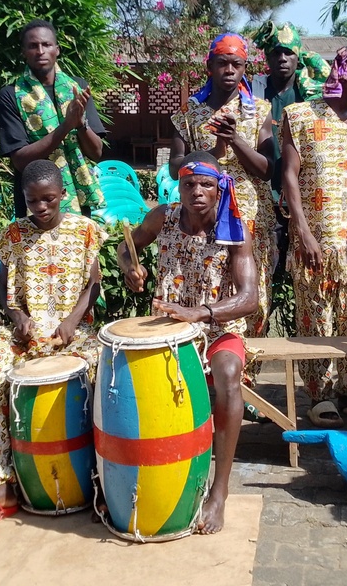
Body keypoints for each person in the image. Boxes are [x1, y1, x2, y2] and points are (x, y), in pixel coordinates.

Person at [0, 159, 103, 531]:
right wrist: (18, 317)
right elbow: (6, 296)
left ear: (63, 196)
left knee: (100, 376)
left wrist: (71, 321)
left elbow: (93, 285)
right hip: (25, 337)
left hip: (73, 336)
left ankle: (99, 479)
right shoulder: (13, 235)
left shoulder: (85, 230)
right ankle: (1, 485)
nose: (40, 208)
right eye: (32, 200)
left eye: (48, 199)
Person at [119, 152, 258, 535]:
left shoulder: (233, 228)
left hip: (218, 328)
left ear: (220, 188)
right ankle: (140, 478)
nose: (196, 191)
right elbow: (126, 247)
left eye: (206, 184)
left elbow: (249, 299)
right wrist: (130, 268)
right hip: (167, 327)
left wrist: (202, 312)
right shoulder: (162, 217)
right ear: (178, 186)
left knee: (228, 373)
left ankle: (220, 491)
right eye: (188, 184)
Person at [280, 46, 347, 426]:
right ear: (342, 68)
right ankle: (319, 394)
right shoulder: (300, 116)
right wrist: (301, 229)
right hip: (315, 235)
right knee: (315, 315)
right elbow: (289, 174)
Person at [170, 32, 276, 335]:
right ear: (209, 67)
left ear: (244, 69)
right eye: (222, 63)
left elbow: (266, 169)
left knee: (250, 285)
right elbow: (175, 165)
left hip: (250, 214)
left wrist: (234, 140)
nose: (229, 70)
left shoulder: (258, 111)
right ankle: (206, 356)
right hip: (202, 212)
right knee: (206, 277)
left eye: (237, 64)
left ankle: (247, 361)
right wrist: (214, 153)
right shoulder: (189, 113)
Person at [0, 19, 108, 217]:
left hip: (78, 199)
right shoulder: (11, 94)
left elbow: (97, 152)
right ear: (24, 53)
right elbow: (21, 161)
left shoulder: (77, 88)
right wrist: (66, 126)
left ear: (57, 50)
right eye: (33, 46)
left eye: (46, 44)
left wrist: (80, 124)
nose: (40, 51)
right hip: (35, 204)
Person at [249, 20, 327, 195]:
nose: (282, 59)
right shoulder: (254, 92)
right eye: (276, 53)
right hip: (261, 189)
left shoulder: (310, 96)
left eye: (288, 53)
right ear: (268, 57)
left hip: (302, 190)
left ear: (297, 58)